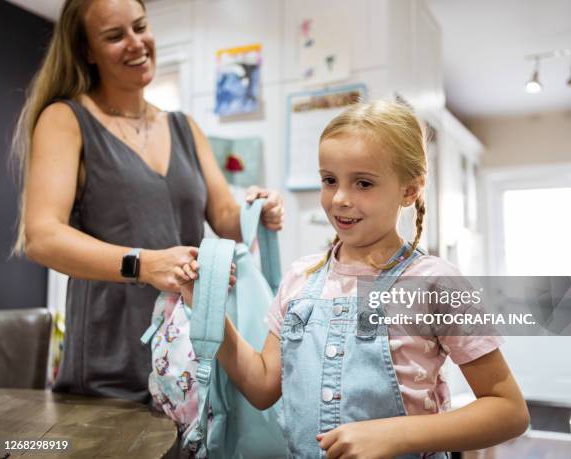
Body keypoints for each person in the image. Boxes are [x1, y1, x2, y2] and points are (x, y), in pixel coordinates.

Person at [181, 100, 529, 458]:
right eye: (329, 180)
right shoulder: (300, 278)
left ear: (409, 190)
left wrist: (397, 435)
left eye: (363, 183)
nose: (341, 198)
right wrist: (207, 310)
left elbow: (509, 410)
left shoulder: (435, 283)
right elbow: (262, 387)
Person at [10, 0, 283, 403]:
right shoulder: (66, 119)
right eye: (115, 36)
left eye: (140, 27)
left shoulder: (184, 127)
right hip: (109, 368)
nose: (136, 43)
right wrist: (145, 264)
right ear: (87, 50)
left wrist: (258, 207)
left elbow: (225, 217)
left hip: (187, 360)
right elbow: (42, 237)